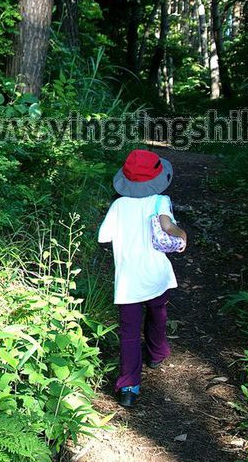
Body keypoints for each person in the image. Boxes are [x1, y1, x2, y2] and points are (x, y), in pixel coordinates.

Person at [98, 149, 188, 408]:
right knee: (158, 313)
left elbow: (103, 237)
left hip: (128, 282)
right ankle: (157, 353)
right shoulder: (161, 201)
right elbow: (168, 226)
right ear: (158, 177)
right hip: (157, 275)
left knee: (129, 332)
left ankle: (128, 386)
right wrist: (181, 234)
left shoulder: (118, 205)